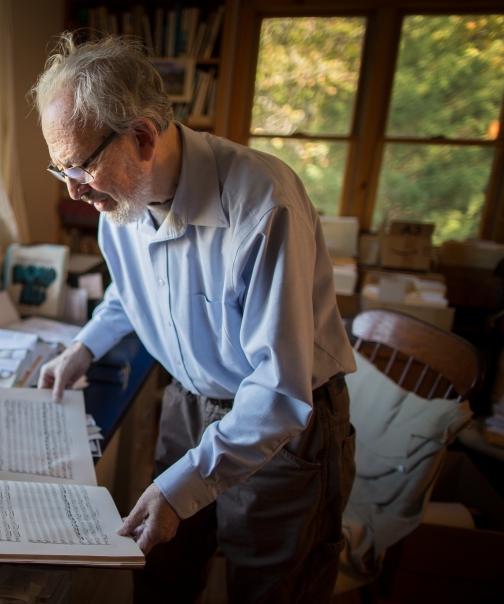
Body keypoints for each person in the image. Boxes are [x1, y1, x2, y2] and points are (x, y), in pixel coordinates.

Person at [33, 34, 357, 604]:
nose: (74, 191)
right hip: (190, 403)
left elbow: (279, 392)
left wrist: (182, 486)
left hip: (284, 421)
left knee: (270, 588)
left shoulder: (262, 205)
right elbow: (133, 293)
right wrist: (81, 348)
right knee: (164, 573)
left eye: (79, 167)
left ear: (141, 137)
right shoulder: (120, 199)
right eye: (60, 171)